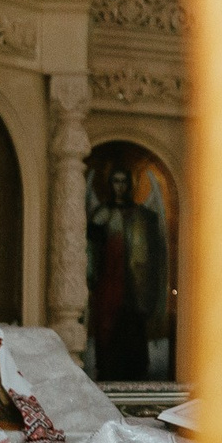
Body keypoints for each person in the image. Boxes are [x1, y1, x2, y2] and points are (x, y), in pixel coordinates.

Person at [87, 160, 167, 380]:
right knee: (108, 328)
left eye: (123, 182)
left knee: (132, 329)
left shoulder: (140, 215)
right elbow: (90, 245)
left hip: (133, 284)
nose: (119, 187)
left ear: (129, 185)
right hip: (109, 280)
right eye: (115, 181)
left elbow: (152, 249)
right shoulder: (102, 213)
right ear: (110, 184)